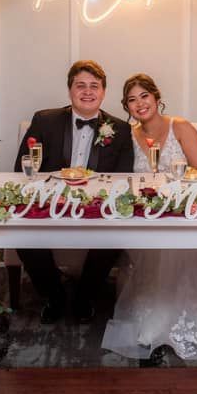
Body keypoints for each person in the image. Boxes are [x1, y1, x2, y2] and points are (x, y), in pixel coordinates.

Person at [101, 73, 197, 360]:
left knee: (182, 253)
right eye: (132, 100)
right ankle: (156, 318)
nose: (139, 104)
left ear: (157, 98)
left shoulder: (180, 127)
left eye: (144, 96)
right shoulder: (127, 135)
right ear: (127, 106)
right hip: (148, 214)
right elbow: (123, 178)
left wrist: (172, 187)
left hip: (184, 207)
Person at [14, 60, 134, 323]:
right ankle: (54, 296)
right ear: (70, 90)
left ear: (103, 92)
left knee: (115, 235)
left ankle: (84, 297)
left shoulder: (121, 130)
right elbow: (22, 167)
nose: (87, 91)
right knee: (22, 235)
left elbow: (124, 176)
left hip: (97, 205)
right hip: (49, 202)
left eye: (94, 86)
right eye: (81, 85)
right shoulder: (44, 120)